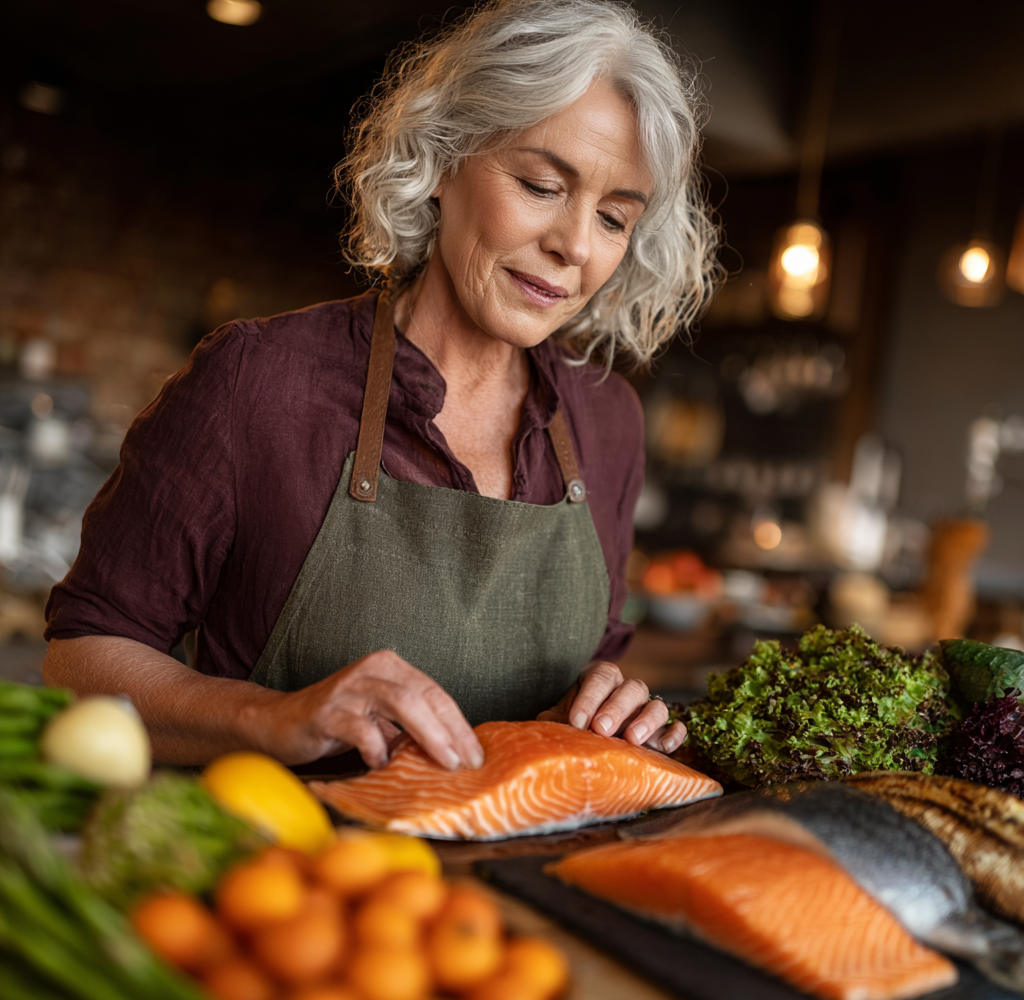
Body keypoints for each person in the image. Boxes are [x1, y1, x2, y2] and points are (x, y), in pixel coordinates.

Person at [42, 0, 719, 772]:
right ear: (443, 161)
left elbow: (596, 661)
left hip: (518, 888)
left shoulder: (608, 422)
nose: (573, 246)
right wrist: (274, 717)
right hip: (289, 876)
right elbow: (80, 665)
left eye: (613, 218)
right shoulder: (258, 384)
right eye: (539, 185)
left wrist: (609, 702)